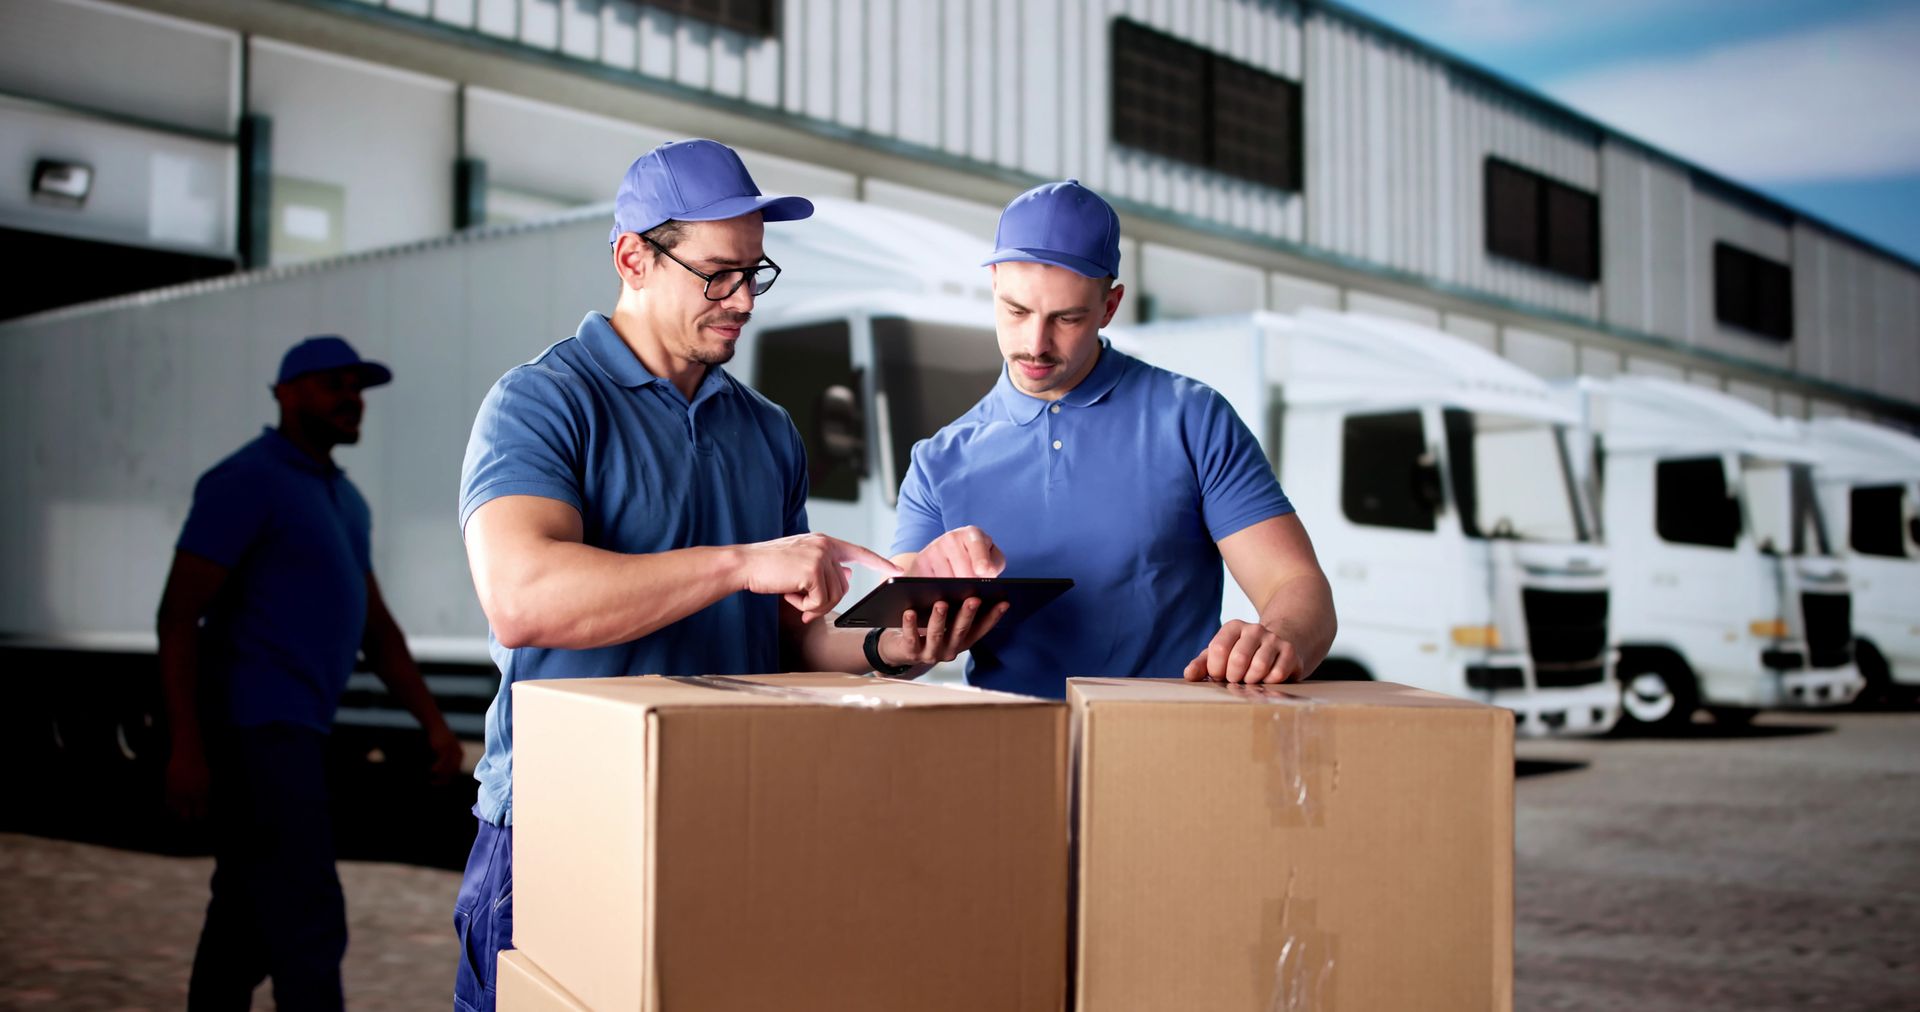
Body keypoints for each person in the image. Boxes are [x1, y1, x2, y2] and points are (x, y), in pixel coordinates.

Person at [452, 138, 1001, 1011]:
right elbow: (525, 597)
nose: (743, 300)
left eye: (755, 272)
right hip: (563, 829)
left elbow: (782, 634)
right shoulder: (544, 402)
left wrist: (901, 637)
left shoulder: (766, 430)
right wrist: (744, 561)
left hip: (728, 818)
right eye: (717, 274)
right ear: (632, 257)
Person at [889, 179, 1338, 698]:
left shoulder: (1192, 420)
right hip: (1009, 752)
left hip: (1168, 746)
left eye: (1067, 318)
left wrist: (1279, 638)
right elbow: (894, 647)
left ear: (1109, 305)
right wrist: (918, 619)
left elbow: (1297, 587)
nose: (1036, 343)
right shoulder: (939, 462)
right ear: (993, 283)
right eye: (1017, 311)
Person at [157, 335, 465, 1011]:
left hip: (301, 732)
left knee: (242, 921)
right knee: (308, 918)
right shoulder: (246, 480)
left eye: (357, 389)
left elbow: (376, 631)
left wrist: (435, 725)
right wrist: (186, 748)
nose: (351, 400)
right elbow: (177, 617)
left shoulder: (345, 501)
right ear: (286, 393)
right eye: (334, 385)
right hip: (255, 731)